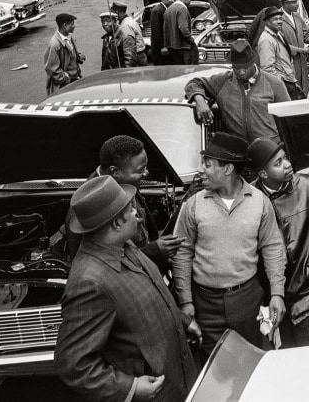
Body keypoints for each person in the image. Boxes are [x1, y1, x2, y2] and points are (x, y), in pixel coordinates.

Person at [54, 176, 200, 402]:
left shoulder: (125, 245)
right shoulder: (89, 282)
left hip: (178, 380)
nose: (138, 215)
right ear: (116, 223)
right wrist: (130, 388)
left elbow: (149, 295)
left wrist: (181, 320)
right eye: (132, 210)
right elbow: (73, 364)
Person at [172, 133, 287, 353]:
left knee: (250, 359)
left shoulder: (260, 202)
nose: (201, 170)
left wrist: (276, 293)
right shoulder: (192, 204)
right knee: (212, 369)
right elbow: (182, 253)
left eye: (208, 164)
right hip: (204, 304)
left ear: (228, 169)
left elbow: (273, 248)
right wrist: (186, 301)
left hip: (248, 301)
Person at [248, 138, 309, 347]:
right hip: (270, 295)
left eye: (285, 158)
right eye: (278, 163)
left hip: (308, 292)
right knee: (280, 352)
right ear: (263, 174)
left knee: (306, 353)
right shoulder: (250, 198)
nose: (287, 164)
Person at [62, 135, 185, 272]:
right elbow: (100, 267)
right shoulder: (89, 207)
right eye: (140, 170)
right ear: (115, 171)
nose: (146, 173)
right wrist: (152, 252)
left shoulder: (124, 182)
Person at [185, 39, 290, 144]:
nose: (241, 72)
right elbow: (194, 83)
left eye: (245, 67)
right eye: (237, 68)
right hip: (235, 151)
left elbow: (289, 119)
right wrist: (199, 100)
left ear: (253, 62)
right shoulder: (223, 81)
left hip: (269, 151)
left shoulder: (275, 84)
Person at [256, 7, 303, 99]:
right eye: (275, 19)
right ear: (267, 22)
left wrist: (292, 82)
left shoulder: (278, 34)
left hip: (288, 81)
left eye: (280, 19)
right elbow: (267, 68)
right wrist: (281, 85)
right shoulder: (266, 39)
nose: (279, 21)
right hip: (282, 84)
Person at [279, 0, 309, 94]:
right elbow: (279, 45)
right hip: (287, 66)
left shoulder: (297, 16)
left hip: (301, 65)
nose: (297, 4)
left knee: (303, 93)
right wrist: (301, 50)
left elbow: (307, 36)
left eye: (297, 1)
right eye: (294, 2)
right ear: (285, 4)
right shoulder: (277, 18)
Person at [44, 13, 85, 95]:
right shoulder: (54, 45)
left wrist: (78, 56)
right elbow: (51, 68)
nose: (74, 26)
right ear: (65, 25)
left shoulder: (68, 37)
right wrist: (66, 79)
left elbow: (71, 52)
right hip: (64, 86)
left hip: (74, 80)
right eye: (72, 24)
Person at [163, 0, 199, 64]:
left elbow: (165, 28)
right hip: (184, 47)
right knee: (191, 70)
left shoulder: (168, 9)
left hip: (172, 46)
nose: (190, 2)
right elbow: (183, 28)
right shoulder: (182, 9)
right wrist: (190, 39)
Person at [114, 1, 147, 66]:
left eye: (113, 13)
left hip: (136, 57)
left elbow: (129, 49)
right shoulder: (130, 20)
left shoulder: (125, 25)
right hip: (140, 55)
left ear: (117, 12)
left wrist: (128, 66)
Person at [150, 0, 175, 65]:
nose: (173, 1)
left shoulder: (164, 9)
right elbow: (156, 31)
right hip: (160, 49)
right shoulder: (157, 10)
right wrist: (162, 47)